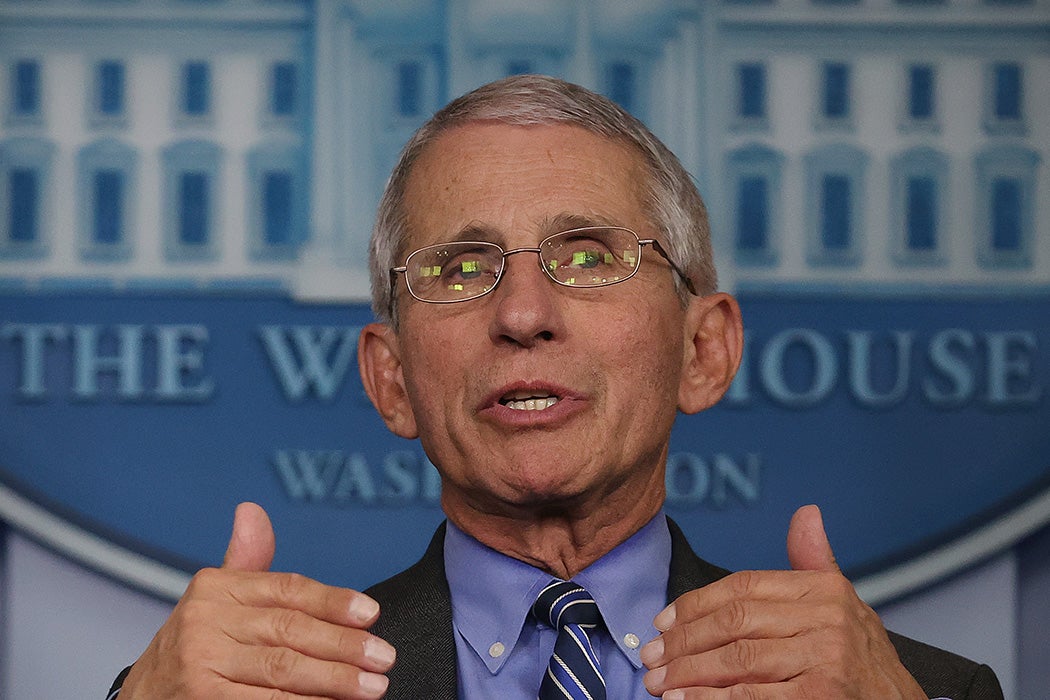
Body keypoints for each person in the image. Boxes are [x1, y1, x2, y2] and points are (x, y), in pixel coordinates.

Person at [110, 75, 1003, 699]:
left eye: (588, 256)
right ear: (391, 380)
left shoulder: (918, 692)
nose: (524, 313)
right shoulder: (246, 691)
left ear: (704, 349)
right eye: (461, 268)